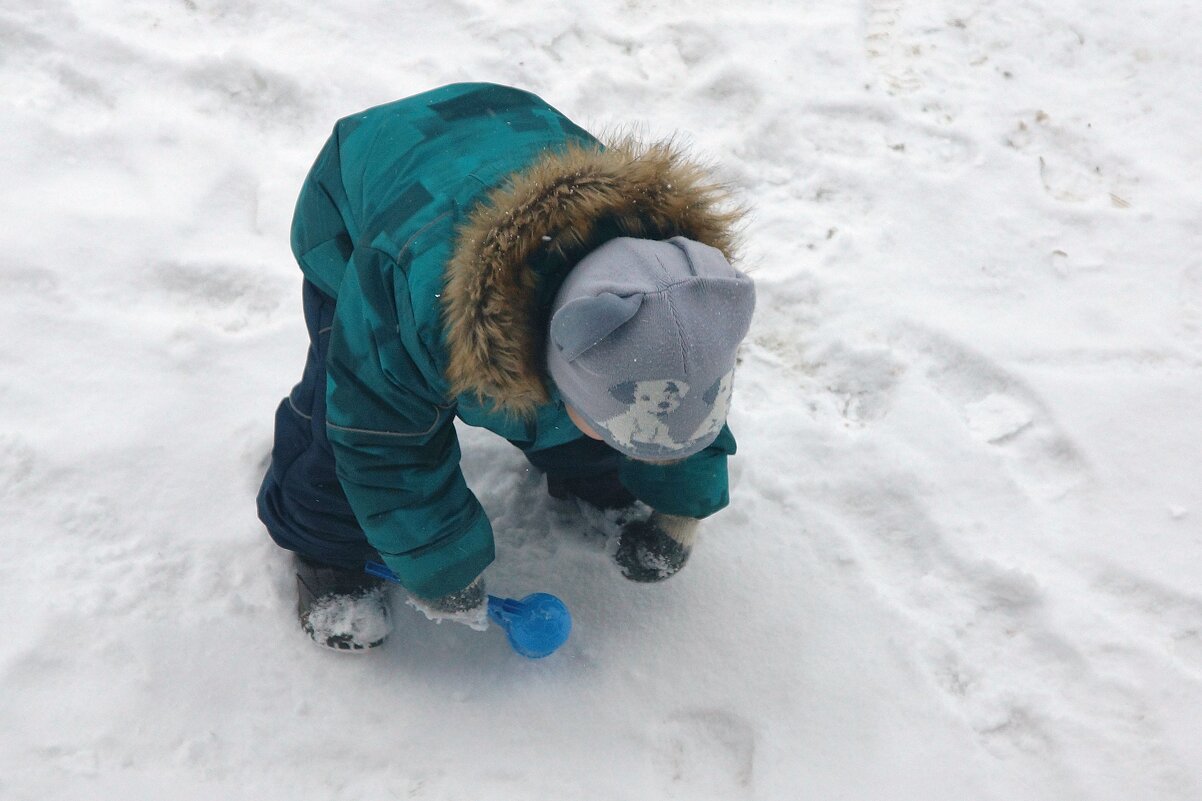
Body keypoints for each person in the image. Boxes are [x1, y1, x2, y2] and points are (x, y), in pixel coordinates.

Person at [257, 82, 755, 650]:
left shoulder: (684, 297)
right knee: (346, 417)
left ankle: (596, 469)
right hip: (364, 213)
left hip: (506, 142)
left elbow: (681, 401)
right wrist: (440, 568)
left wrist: (680, 508)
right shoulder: (413, 311)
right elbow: (382, 449)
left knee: (600, 414)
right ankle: (329, 545)